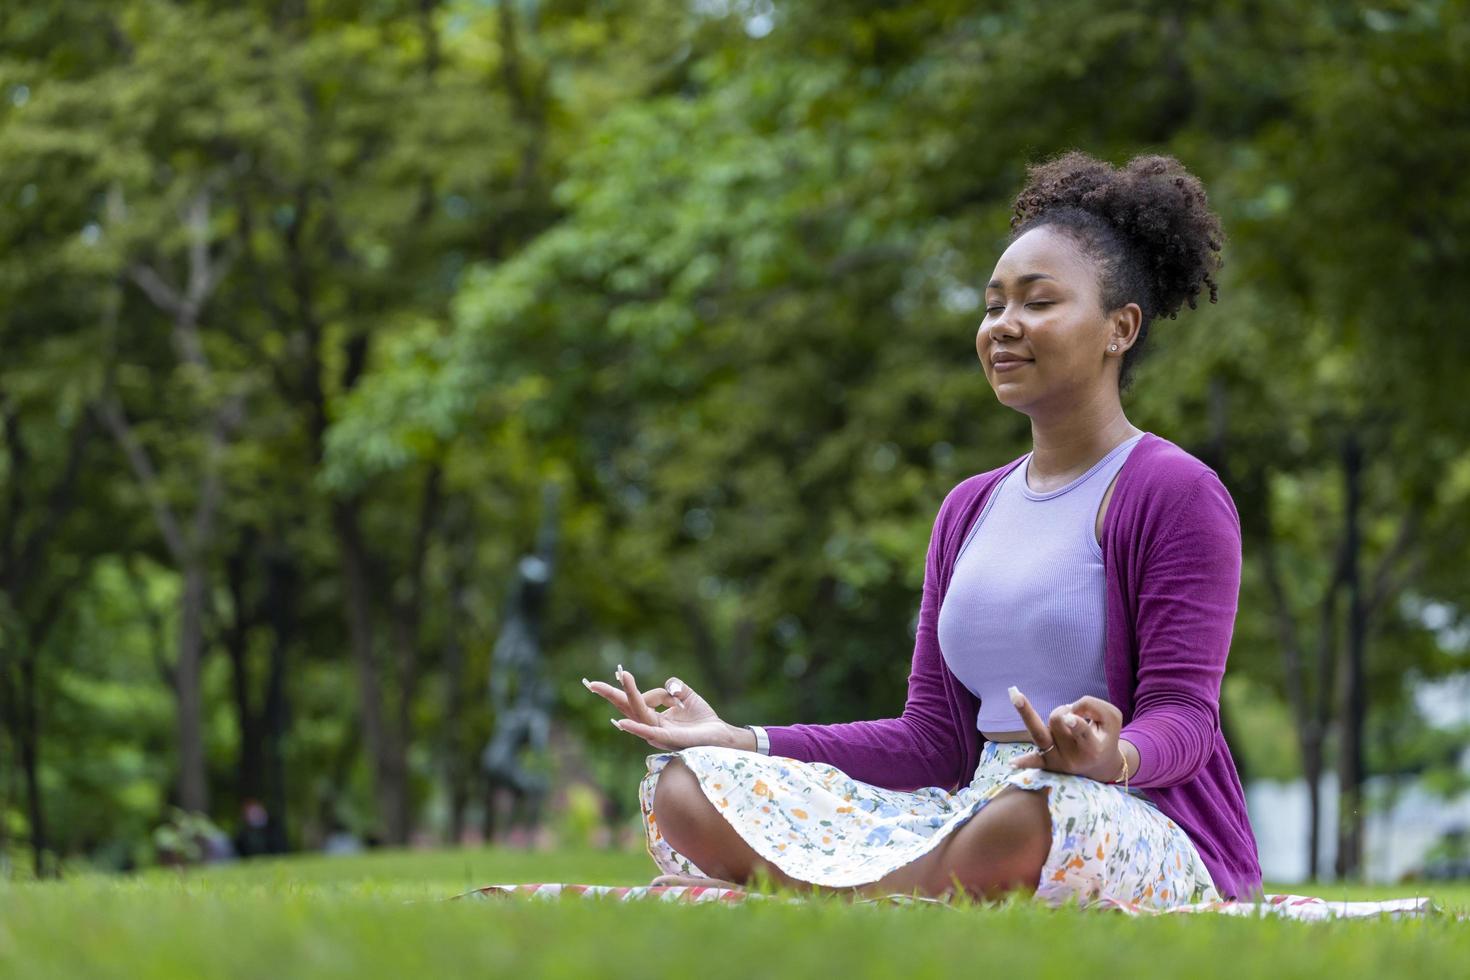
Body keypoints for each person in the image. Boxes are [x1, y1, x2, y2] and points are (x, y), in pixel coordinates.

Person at [584, 151, 1264, 909]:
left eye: (1037, 303)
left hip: (1120, 814)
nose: (1004, 327)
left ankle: (853, 889)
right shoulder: (970, 507)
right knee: (689, 781)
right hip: (966, 812)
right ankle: (910, 885)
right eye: (993, 305)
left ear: (1119, 328)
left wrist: (1112, 757)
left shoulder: (1174, 491)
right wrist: (740, 739)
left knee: (1028, 816)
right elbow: (929, 740)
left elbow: (1186, 716)